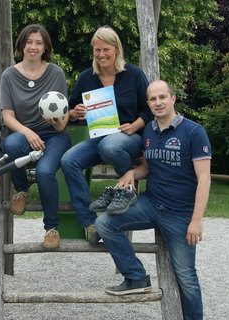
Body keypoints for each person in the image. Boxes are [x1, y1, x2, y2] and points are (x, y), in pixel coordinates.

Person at [94, 80, 211, 320]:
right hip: (150, 203)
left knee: (186, 277)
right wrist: (133, 173)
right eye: (152, 99)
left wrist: (197, 219)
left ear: (173, 99)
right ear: (148, 104)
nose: (158, 103)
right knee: (104, 223)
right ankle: (136, 277)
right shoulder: (148, 130)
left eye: (162, 97)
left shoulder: (194, 132)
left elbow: (204, 178)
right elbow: (147, 166)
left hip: (180, 214)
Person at [60, 25, 153, 244]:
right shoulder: (86, 78)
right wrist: (75, 112)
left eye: (106, 49)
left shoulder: (134, 74)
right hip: (99, 138)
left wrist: (135, 125)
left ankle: (125, 192)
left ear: (116, 50)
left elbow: (149, 109)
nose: (101, 54)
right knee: (68, 160)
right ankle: (90, 222)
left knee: (111, 146)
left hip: (129, 138)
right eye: (97, 50)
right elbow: (72, 111)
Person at [1, 24, 71, 249]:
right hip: (24, 133)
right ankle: (21, 189)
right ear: (21, 45)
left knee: (44, 171)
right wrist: (28, 132)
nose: (33, 46)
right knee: (10, 143)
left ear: (45, 47)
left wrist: (59, 123)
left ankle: (52, 228)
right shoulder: (9, 75)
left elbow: (64, 117)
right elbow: (8, 116)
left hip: (54, 137)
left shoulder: (56, 73)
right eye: (29, 42)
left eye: (38, 42)